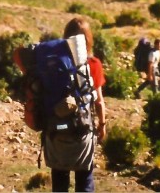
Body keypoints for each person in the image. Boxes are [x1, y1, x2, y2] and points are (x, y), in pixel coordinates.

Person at [45, 17, 106, 193]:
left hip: (56, 132)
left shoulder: (53, 64)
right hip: (83, 132)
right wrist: (102, 125)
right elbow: (99, 101)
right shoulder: (93, 64)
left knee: (59, 180)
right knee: (84, 179)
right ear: (89, 39)